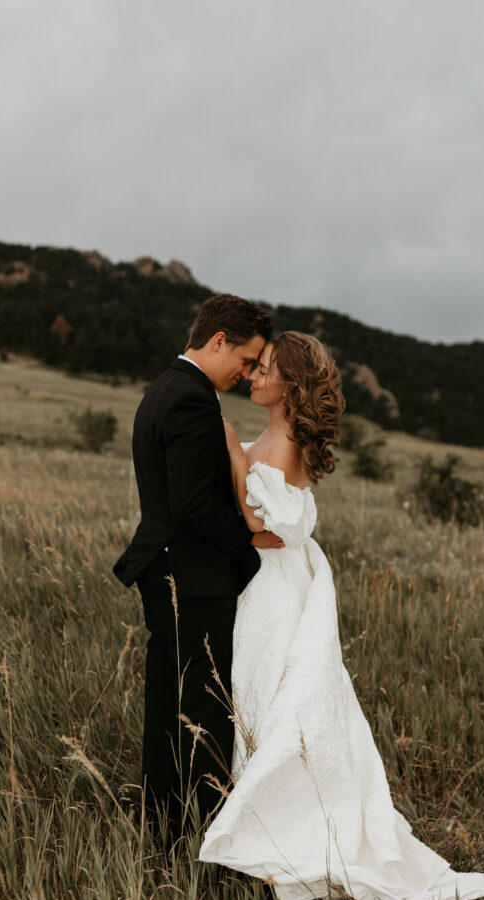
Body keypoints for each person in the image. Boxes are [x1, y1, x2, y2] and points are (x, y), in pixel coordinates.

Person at [199, 331, 484, 900]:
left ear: (290, 385)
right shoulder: (269, 433)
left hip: (273, 584)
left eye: (264, 369)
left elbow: (268, 527)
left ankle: (284, 838)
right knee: (264, 699)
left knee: (277, 702)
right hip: (258, 581)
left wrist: (233, 456)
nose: (252, 375)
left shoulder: (284, 439)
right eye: (254, 366)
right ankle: (267, 832)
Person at [113, 294, 282, 841]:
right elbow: (192, 508)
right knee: (205, 712)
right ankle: (202, 834)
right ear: (217, 342)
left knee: (168, 705)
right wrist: (249, 543)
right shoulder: (191, 399)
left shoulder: (166, 387)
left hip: (167, 574)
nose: (248, 372)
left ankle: (162, 824)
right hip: (191, 579)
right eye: (247, 359)